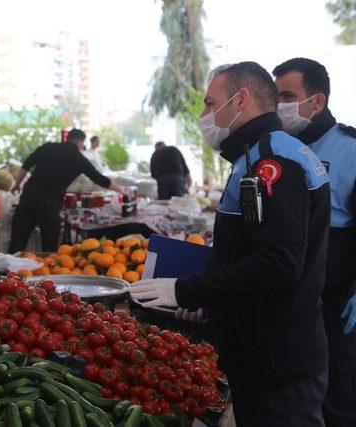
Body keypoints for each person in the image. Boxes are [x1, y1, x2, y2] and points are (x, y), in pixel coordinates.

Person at [130, 62, 331, 426]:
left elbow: (277, 263)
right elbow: (249, 250)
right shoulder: (260, 154)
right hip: (266, 348)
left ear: (241, 100)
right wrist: (212, 301)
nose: (205, 115)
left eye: (210, 103)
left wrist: (186, 289)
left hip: (278, 360)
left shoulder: (272, 162)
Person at [273, 57, 356, 427]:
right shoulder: (275, 150)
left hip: (337, 307)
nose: (279, 105)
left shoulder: (350, 150)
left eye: (287, 96)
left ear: (317, 101)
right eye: (275, 96)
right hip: (288, 302)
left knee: (338, 402)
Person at [9, 128, 124, 253]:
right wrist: (121, 190)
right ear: (80, 142)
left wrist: (16, 185)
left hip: (28, 197)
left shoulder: (48, 147)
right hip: (49, 202)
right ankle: (47, 270)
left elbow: (26, 165)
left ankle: (7, 270)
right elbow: (99, 178)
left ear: (68, 138)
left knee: (18, 239)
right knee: (49, 243)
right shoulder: (78, 158)